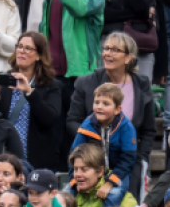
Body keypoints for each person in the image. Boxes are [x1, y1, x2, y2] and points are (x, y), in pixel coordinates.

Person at [66, 31, 154, 182]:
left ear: (128, 58)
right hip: (92, 162)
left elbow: (148, 130)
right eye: (106, 48)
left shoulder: (142, 84)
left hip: (128, 161)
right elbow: (72, 121)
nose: (108, 53)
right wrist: (95, 141)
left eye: (115, 50)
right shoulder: (86, 83)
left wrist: (141, 159)